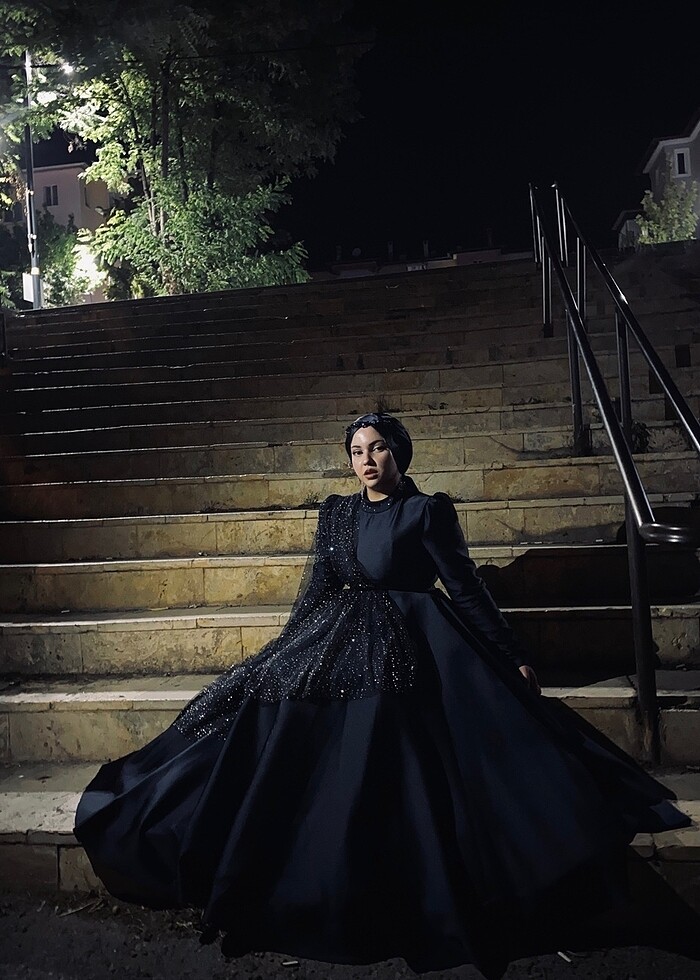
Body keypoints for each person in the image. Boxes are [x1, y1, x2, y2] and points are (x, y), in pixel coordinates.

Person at [75, 412, 689, 979]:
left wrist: (511, 654)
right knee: (273, 708)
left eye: (377, 449)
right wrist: (285, 652)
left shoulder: (426, 512)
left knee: (405, 739)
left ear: (399, 453)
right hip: (337, 635)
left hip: (414, 636)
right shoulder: (336, 514)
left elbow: (465, 588)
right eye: (356, 451)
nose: (366, 460)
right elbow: (316, 589)